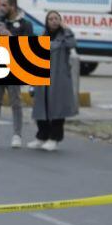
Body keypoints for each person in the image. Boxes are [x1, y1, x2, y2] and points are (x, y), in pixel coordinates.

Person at [0, 0, 33, 149]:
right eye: (0, 4)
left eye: (4, 5)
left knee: (15, 101)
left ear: (13, 6)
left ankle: (17, 135)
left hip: (15, 67)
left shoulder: (25, 24)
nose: (1, 7)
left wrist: (10, 36)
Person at [28, 10, 78, 151]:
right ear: (47, 22)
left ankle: (54, 138)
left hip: (58, 79)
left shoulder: (64, 37)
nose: (54, 21)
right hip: (42, 79)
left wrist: (67, 29)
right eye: (51, 19)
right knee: (41, 108)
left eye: (56, 18)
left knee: (57, 109)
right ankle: (41, 136)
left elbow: (72, 44)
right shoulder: (43, 37)